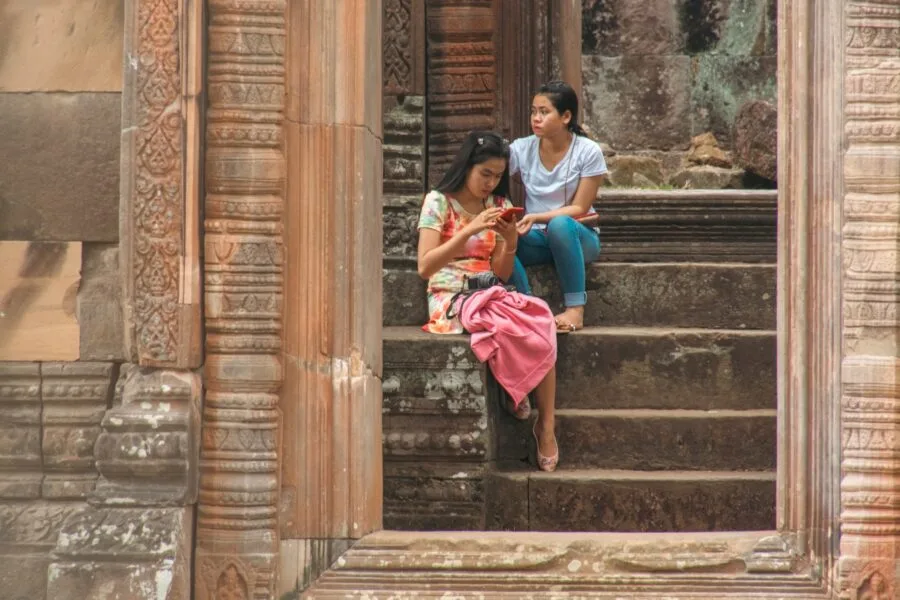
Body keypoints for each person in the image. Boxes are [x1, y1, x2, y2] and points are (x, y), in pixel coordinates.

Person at [416, 130, 559, 471]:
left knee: (541, 319)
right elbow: (425, 266)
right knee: (498, 320)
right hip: (448, 297)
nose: (491, 184)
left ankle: (547, 426)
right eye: (485, 174)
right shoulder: (438, 201)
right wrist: (468, 229)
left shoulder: (499, 206)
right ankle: (516, 389)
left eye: (497, 177)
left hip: (490, 291)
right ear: (467, 166)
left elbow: (502, 271)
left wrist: (509, 242)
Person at [507, 80, 608, 333]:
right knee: (500, 239)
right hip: (538, 240)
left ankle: (575, 308)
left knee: (560, 225)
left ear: (565, 116)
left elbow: (580, 207)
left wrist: (536, 216)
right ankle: (529, 308)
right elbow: (493, 173)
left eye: (544, 112)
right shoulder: (521, 148)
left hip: (577, 236)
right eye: (533, 111)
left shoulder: (588, 151)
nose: (536, 118)